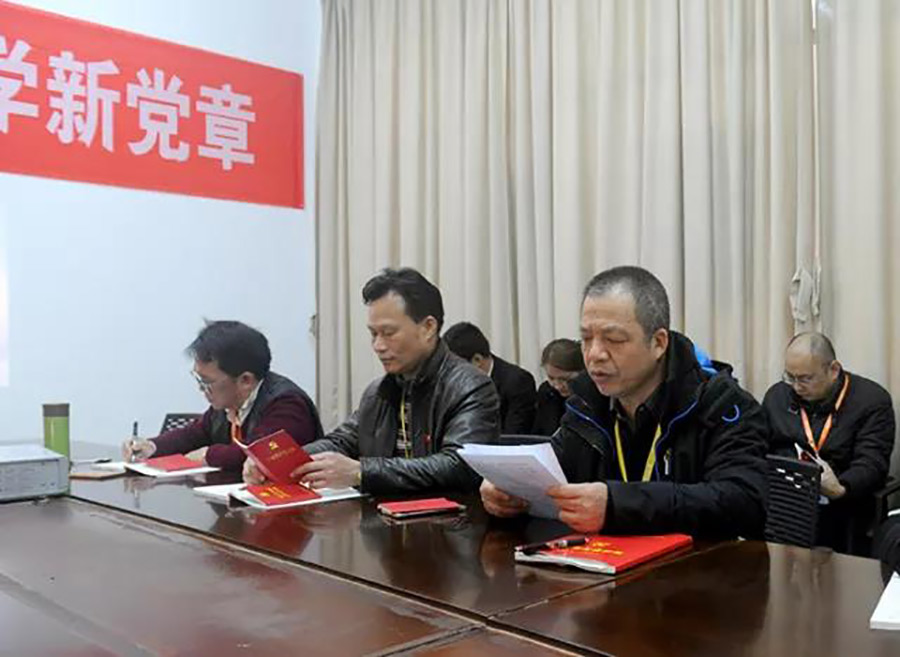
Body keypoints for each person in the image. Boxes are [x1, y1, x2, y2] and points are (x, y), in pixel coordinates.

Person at [480, 265, 768, 538]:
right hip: (605, 565)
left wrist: (618, 504)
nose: (594, 354)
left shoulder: (721, 404)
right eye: (586, 339)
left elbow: (745, 502)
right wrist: (510, 488)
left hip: (696, 567)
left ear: (658, 343)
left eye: (614, 340)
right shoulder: (586, 404)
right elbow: (555, 468)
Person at [245, 267, 500, 493]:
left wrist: (361, 473)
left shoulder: (470, 387)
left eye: (388, 333)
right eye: (373, 334)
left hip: (449, 523)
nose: (378, 346)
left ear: (428, 327)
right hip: (385, 519)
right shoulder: (379, 391)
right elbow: (342, 441)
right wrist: (278, 460)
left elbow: (459, 466)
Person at [123, 321, 322, 471]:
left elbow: (261, 454)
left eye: (206, 382)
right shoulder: (229, 402)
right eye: (198, 379)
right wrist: (152, 446)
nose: (201, 389)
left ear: (245, 380)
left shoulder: (287, 405)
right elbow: (195, 434)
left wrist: (209, 454)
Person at [763, 333, 896, 554]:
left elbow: (872, 462)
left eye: (805, 378)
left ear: (833, 370)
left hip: (842, 504)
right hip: (785, 500)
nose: (796, 387)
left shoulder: (872, 401)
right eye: (790, 377)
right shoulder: (778, 396)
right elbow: (760, 446)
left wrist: (841, 488)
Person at [444, 321, 536, 434]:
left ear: (477, 360)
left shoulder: (518, 382)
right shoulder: (451, 384)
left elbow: (513, 436)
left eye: (456, 367)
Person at [532, 338, 584, 436]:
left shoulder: (594, 396)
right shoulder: (547, 392)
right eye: (551, 378)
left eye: (565, 379)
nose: (557, 386)